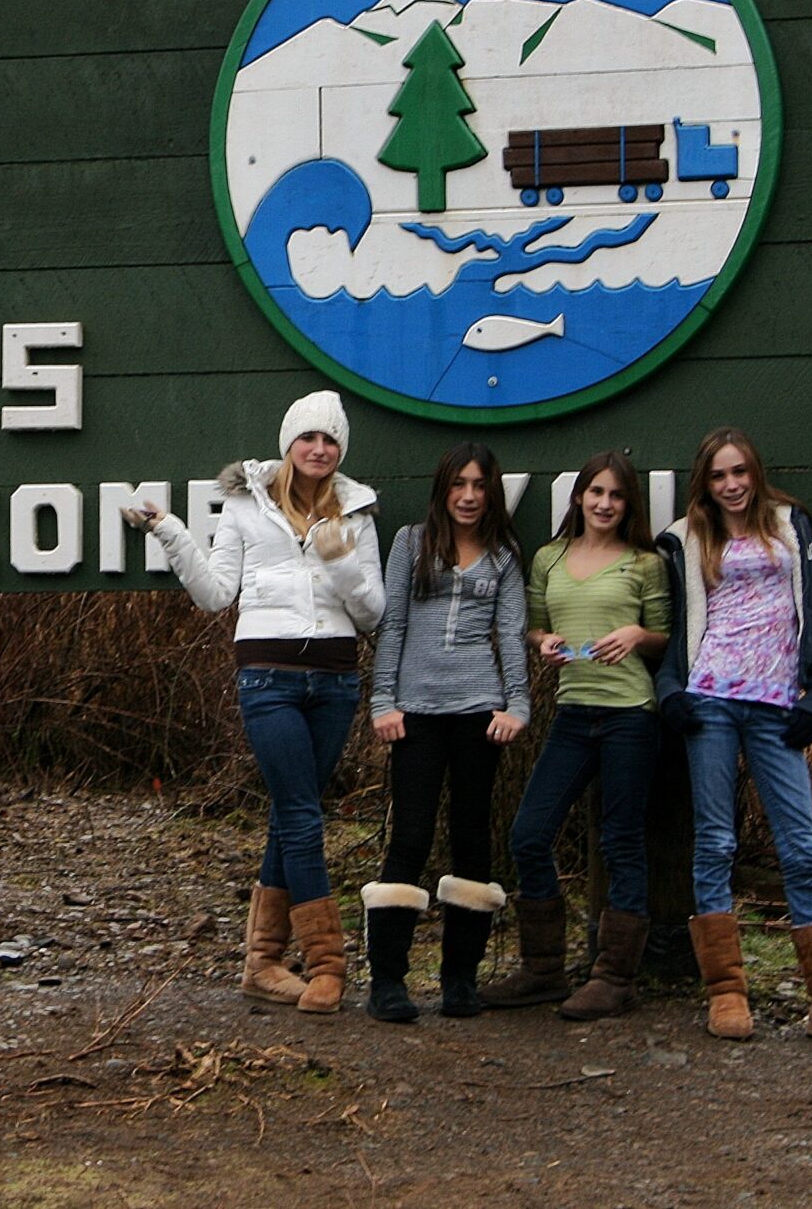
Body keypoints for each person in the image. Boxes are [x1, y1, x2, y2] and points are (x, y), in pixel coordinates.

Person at [134, 390, 384, 1014]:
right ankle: (327, 964)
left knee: (291, 814)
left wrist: (342, 561)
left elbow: (373, 612)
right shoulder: (244, 507)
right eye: (309, 438)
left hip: (334, 681)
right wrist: (168, 531)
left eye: (330, 441)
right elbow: (216, 594)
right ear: (289, 445)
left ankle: (263, 964)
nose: (319, 449)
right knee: (302, 815)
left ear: (340, 451)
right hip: (267, 679)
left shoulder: (357, 514)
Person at [654, 428, 812, 1043]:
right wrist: (671, 693)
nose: (731, 485)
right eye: (718, 477)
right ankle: (727, 993)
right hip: (710, 699)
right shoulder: (686, 539)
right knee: (715, 842)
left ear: (755, 473)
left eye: (739, 473)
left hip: (776, 705)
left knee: (802, 844)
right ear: (703, 485)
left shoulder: (791, 528)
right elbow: (672, 625)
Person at [478, 450, 668, 1022]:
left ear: (628, 503)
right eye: (596, 493)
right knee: (529, 833)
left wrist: (636, 634)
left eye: (616, 495)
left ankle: (614, 977)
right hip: (572, 713)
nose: (605, 504)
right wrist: (543, 644)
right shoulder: (549, 557)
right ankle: (543, 970)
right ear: (578, 497)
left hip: (631, 713)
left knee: (621, 842)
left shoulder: (644, 563)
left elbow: (663, 636)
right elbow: (534, 624)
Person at [360, 442, 526, 1024]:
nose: (470, 496)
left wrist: (518, 705)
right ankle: (387, 981)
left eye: (480, 485)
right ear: (443, 488)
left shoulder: (504, 553)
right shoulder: (410, 542)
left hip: (480, 710)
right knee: (409, 834)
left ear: (491, 491)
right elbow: (394, 625)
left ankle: (459, 980)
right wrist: (383, 700)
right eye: (460, 484)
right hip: (415, 713)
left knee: (472, 836)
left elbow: (510, 633)